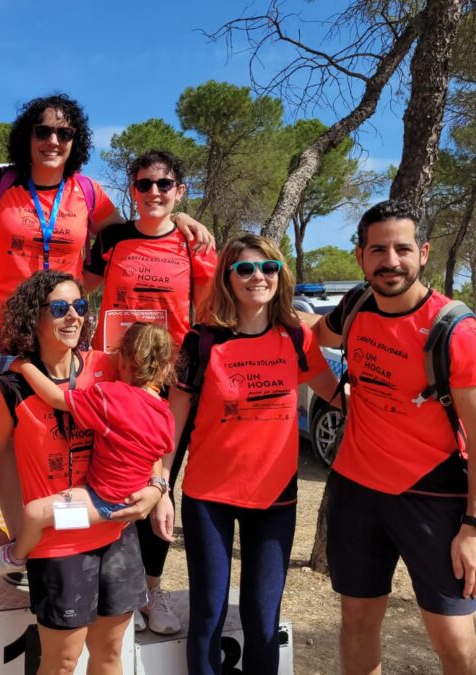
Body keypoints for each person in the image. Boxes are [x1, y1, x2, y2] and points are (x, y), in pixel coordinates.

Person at [0, 95, 211, 556]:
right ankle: (16, 540)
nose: (53, 140)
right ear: (28, 137)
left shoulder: (87, 192)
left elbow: (135, 231)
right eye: (43, 131)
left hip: (61, 327)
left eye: (64, 133)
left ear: (75, 141)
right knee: (1, 440)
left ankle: (51, 539)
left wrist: (177, 216)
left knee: (57, 439)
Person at [150, 234, 335, 674]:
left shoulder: (295, 338)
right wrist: (160, 487)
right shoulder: (202, 341)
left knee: (262, 618)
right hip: (208, 497)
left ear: (280, 275)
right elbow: (172, 424)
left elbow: (340, 396)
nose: (258, 277)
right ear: (228, 277)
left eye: (268, 268)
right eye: (245, 269)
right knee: (209, 615)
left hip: (275, 500)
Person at [306, 200, 476, 675]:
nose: (391, 261)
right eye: (378, 249)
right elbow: (311, 338)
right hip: (356, 492)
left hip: (433, 496)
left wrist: (473, 529)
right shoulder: (357, 305)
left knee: (455, 642)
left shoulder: (456, 331)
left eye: (402, 248)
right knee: (357, 625)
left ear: (423, 253)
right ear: (360, 256)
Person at [0, 270, 164, 675]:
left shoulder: (108, 366)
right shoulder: (11, 385)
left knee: (111, 654)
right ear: (35, 317)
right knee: (62, 662)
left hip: (115, 528)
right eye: (60, 308)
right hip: (58, 541)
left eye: (79, 307)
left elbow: (144, 428)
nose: (73, 317)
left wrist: (158, 486)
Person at [83, 149, 218, 634]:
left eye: (165, 185)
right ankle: (106, 584)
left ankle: (151, 591)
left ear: (180, 190)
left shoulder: (193, 245)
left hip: (167, 386)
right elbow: (82, 286)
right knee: (102, 479)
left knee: (157, 486)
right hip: (110, 380)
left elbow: (210, 309)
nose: (154, 193)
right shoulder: (115, 238)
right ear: (132, 190)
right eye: (144, 185)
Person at [0, 321, 175, 567]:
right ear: (164, 369)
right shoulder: (165, 414)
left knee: (34, 514)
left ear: (124, 361)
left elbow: (56, 397)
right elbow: (159, 451)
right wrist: (158, 488)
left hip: (102, 502)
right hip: (132, 499)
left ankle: (13, 560)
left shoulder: (112, 396)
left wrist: (25, 367)